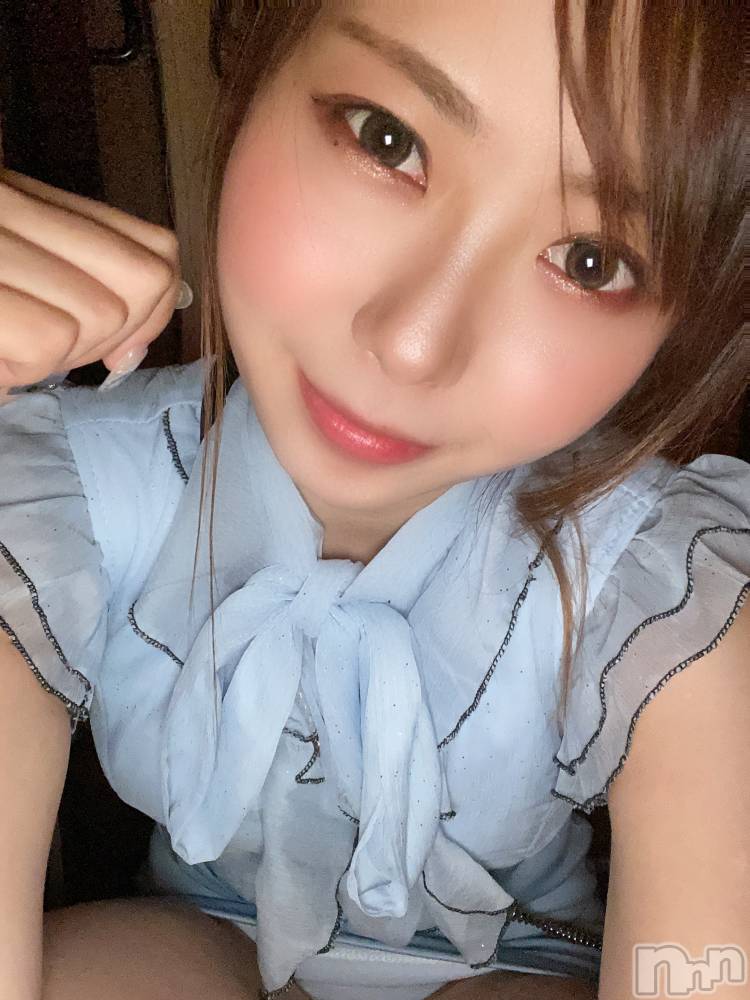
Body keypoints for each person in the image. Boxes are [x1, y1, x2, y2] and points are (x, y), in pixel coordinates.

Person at [0, 2, 747, 999]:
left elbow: (699, 966)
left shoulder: (655, 589)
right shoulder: (69, 491)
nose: (414, 343)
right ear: (253, 61)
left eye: (590, 261)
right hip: (196, 933)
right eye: (387, 140)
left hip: (513, 961)